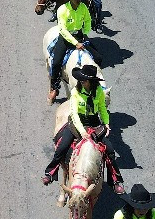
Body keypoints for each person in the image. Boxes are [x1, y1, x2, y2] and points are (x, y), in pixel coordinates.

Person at [43, 62, 125, 194]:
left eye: (84, 80)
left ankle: (115, 181)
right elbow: (74, 113)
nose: (81, 81)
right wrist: (82, 132)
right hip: (77, 122)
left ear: (91, 81)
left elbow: (102, 109)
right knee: (62, 147)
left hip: (94, 123)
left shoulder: (98, 91)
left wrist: (106, 123)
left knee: (110, 151)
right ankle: (50, 173)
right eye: (80, 79)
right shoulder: (76, 91)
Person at [47, 0, 92, 104]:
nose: (78, 1)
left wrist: (85, 33)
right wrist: (76, 43)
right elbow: (63, 29)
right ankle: (54, 88)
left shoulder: (83, 8)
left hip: (79, 36)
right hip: (66, 38)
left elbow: (88, 20)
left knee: (97, 58)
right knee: (56, 62)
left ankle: (94, 86)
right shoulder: (62, 9)